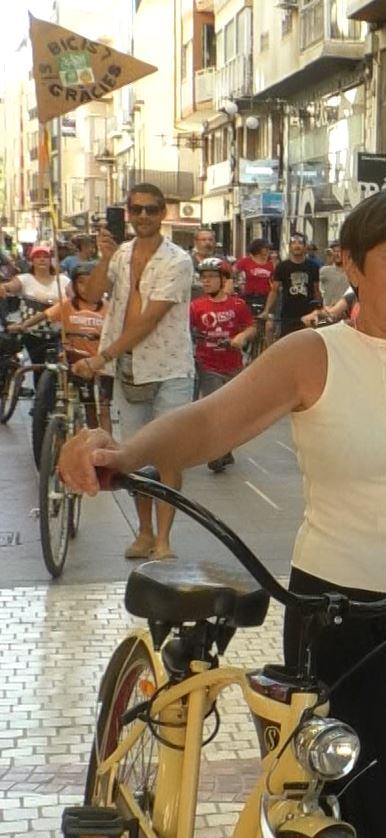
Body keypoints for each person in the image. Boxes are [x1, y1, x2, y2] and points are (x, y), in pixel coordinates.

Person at [58, 188, 386, 838]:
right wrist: (126, 451)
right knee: (374, 816)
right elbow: (212, 422)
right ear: (350, 267)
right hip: (340, 615)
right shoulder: (314, 354)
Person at [72, 183, 196, 561]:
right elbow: (91, 296)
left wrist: (100, 356)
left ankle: (164, 540)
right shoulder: (121, 255)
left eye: (151, 209)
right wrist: (105, 259)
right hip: (129, 369)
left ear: (162, 214)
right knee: (135, 456)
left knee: (169, 456)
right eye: (136, 209)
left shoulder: (177, 260)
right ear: (128, 213)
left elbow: (149, 321)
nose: (143, 216)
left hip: (170, 367)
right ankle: (144, 533)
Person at [6, 262, 112, 432]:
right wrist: (24, 325)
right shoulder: (68, 305)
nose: (86, 288)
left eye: (92, 283)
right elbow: (44, 315)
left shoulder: (108, 308)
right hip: (74, 362)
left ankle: (107, 445)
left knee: (104, 409)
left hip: (101, 365)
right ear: (74, 285)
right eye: (81, 283)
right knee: (87, 406)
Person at [190, 258, 256, 471]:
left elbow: (252, 327)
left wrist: (242, 337)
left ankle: (225, 449)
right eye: (203, 277)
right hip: (207, 365)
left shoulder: (237, 305)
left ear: (224, 279)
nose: (206, 281)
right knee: (215, 409)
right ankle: (215, 453)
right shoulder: (195, 307)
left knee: (231, 412)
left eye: (211, 277)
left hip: (233, 365)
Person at [1, 244, 70, 394]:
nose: (42, 260)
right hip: (33, 333)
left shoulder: (63, 280)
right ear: (31, 261)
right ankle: (41, 406)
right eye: (37, 257)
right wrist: (4, 288)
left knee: (62, 369)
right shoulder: (25, 279)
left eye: (45, 256)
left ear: (51, 260)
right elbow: (11, 286)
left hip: (60, 333)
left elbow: (74, 295)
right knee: (39, 369)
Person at [266, 234, 322, 339]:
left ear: (305, 247)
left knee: (307, 343)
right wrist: (267, 310)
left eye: (300, 243)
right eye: (294, 243)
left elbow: (316, 290)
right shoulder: (282, 267)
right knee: (287, 344)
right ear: (289, 247)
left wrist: (319, 309)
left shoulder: (313, 266)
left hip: (308, 312)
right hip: (288, 314)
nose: (297, 246)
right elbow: (274, 290)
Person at [234, 238, 275, 320]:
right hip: (249, 296)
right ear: (258, 249)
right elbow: (232, 272)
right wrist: (237, 284)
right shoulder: (246, 261)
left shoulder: (271, 264)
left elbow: (275, 280)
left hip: (265, 296)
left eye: (268, 249)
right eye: (265, 248)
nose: (268, 250)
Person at [318, 240, 350, 307]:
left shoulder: (351, 271)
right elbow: (318, 290)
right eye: (334, 251)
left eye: (340, 251)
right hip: (329, 311)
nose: (337, 254)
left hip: (348, 312)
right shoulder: (324, 271)